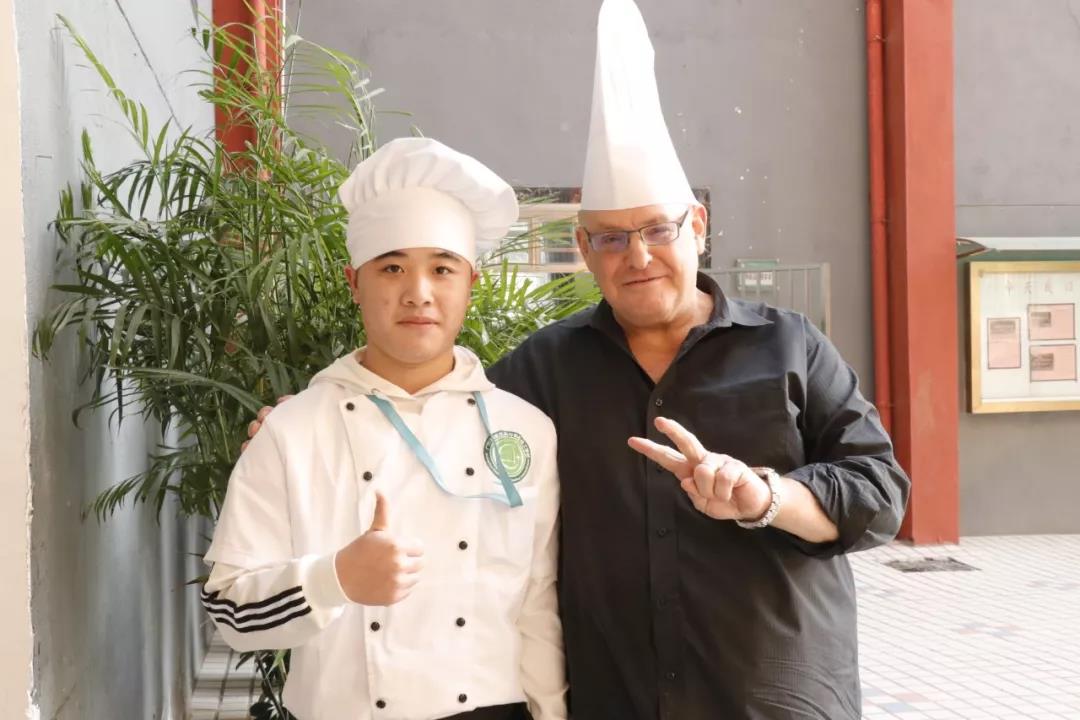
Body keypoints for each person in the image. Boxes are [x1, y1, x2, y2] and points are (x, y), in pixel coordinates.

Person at [247, 1, 910, 717]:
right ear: (586, 250)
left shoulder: (789, 346)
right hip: (615, 699)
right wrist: (313, 416)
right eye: (612, 239)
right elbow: (433, 417)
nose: (639, 257)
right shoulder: (545, 367)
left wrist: (765, 497)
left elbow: (880, 494)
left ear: (698, 226)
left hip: (772, 700)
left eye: (657, 229)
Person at [203, 137, 567, 720]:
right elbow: (229, 611)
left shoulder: (526, 430)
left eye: (442, 269)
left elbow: (538, 606)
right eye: (392, 267)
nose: (418, 293)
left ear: (470, 283)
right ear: (354, 282)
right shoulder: (293, 430)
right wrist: (335, 579)